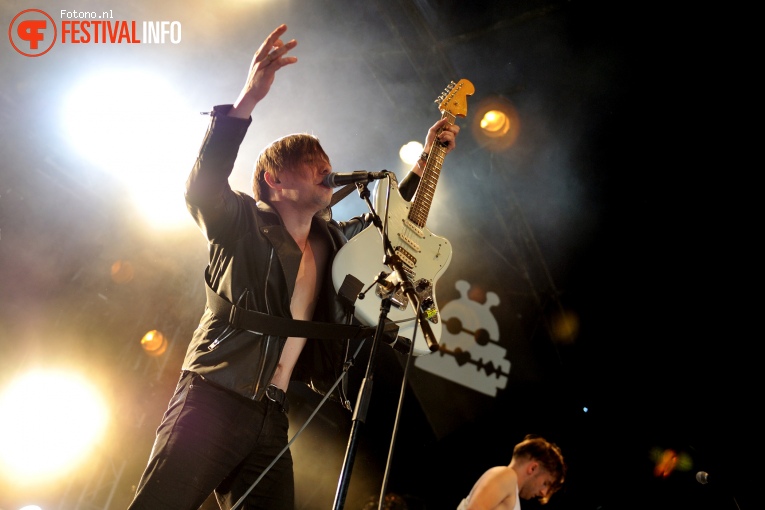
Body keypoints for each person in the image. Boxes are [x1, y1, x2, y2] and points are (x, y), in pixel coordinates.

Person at [127, 24, 460, 510]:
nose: (327, 167)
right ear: (275, 180)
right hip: (213, 395)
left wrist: (427, 158)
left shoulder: (334, 242)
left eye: (327, 160)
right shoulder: (240, 221)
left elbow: (392, 229)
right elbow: (202, 187)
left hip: (272, 414)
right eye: (312, 162)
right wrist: (247, 99)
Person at [457, 435, 567, 510]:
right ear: (532, 468)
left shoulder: (510, 490)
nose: (543, 493)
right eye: (546, 483)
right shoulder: (507, 476)